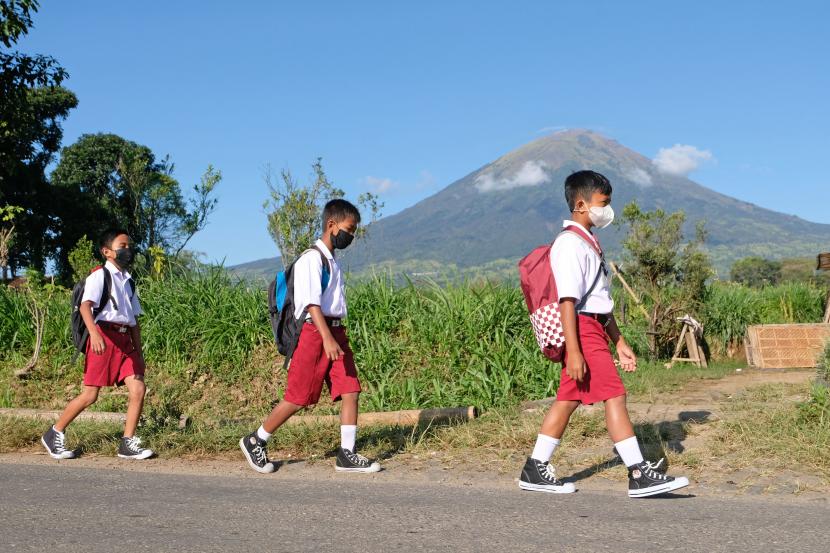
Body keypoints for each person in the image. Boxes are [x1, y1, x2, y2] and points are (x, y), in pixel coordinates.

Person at [518, 170, 689, 497]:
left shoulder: (588, 241)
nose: (608, 209)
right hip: (581, 330)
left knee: (568, 399)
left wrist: (619, 341)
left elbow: (598, 301)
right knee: (615, 394)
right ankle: (639, 473)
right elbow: (567, 300)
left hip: (592, 326)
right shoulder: (570, 244)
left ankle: (534, 468)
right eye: (603, 202)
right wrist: (575, 350)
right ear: (581, 204)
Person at [240, 199, 380, 474]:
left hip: (335, 331)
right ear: (331, 225)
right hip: (316, 332)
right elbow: (310, 304)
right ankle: (256, 439)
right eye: (349, 229)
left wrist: (334, 335)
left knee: (350, 389)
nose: (350, 236)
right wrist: (327, 338)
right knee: (299, 396)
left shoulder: (332, 262)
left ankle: (347, 454)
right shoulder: (311, 260)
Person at [42, 228, 153, 460]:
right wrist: (94, 334)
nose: (128, 250)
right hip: (103, 337)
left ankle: (127, 443)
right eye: (122, 246)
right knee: (90, 395)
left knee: (138, 388)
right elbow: (85, 306)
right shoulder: (99, 276)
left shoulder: (129, 282)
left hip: (125, 341)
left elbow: (134, 321)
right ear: (107, 252)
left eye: (129, 246)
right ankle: (54, 433)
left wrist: (138, 352)